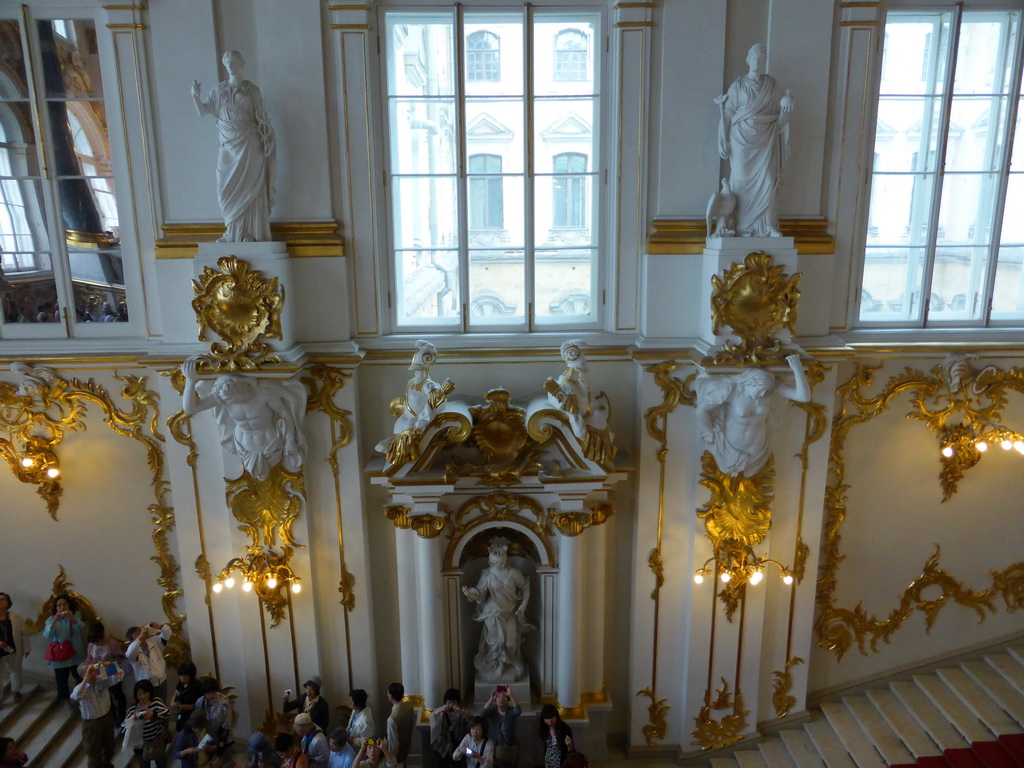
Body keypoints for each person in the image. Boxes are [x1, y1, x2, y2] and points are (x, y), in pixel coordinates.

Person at [191, 50, 276, 243]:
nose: (230, 66)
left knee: (250, 187)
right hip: (227, 144)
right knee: (226, 189)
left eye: (233, 62)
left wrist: (268, 139)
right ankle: (232, 232)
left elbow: (262, 118)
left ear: (241, 63)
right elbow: (204, 111)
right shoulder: (218, 89)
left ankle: (251, 233)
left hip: (249, 142)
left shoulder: (251, 90)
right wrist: (195, 96)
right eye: (227, 63)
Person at [182, 354, 308, 481]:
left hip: (271, 445)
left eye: (232, 399)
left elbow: (285, 413)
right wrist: (190, 381)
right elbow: (190, 409)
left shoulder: (263, 395)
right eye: (226, 400)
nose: (229, 402)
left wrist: (290, 438)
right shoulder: (224, 396)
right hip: (243, 448)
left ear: (241, 389)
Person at [715, 42, 795, 238]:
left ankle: (767, 226)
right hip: (740, 140)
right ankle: (742, 226)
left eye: (761, 59)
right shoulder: (738, 85)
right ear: (748, 60)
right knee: (741, 182)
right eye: (754, 58)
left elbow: (778, 120)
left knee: (768, 180)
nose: (758, 61)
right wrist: (723, 140)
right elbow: (727, 114)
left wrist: (786, 112)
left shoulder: (771, 85)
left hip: (765, 137)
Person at [694, 354, 810, 476]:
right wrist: (710, 432)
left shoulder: (768, 389)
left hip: (759, 449)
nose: (763, 393)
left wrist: (797, 370)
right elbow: (701, 410)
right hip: (729, 448)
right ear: (747, 383)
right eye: (760, 389)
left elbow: (803, 397)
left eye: (765, 390)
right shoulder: (731, 390)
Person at [462, 538, 533, 681]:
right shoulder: (487, 574)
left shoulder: (513, 572)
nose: (495, 564)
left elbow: (525, 587)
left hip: (510, 611)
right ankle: (497, 665)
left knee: (510, 643)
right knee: (495, 642)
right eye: (493, 562)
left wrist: (523, 606)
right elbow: (480, 591)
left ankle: (508, 664)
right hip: (492, 612)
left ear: (505, 560)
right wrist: (470, 593)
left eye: (498, 562)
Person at [376, 340, 454, 466]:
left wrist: (420, 424)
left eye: (421, 370)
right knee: (398, 435)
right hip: (404, 421)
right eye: (416, 370)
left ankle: (399, 454)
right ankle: (392, 448)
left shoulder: (428, 385)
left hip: (413, 424)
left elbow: (433, 404)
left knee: (404, 444)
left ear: (426, 369)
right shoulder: (411, 382)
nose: (418, 372)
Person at [71, 660, 124, 768]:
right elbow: (76, 696)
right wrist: (87, 678)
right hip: (92, 723)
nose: (94, 673)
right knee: (93, 749)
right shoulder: (80, 688)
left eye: (94, 671)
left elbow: (119, 676)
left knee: (109, 745)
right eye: (90, 671)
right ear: (82, 675)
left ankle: (107, 763)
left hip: (107, 717)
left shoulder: (101, 680)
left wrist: (109, 666)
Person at [42, 593, 86, 709]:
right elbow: (47, 634)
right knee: (62, 680)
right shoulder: (51, 619)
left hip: (76, 652)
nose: (62, 607)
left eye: (64, 604)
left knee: (79, 676)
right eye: (59, 605)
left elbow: (80, 628)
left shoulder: (76, 615)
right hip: (60, 655)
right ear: (55, 608)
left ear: (69, 605)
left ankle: (79, 698)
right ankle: (65, 700)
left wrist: (72, 618)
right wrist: (54, 621)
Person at [85, 621, 127, 723]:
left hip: (111, 670)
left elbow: (120, 657)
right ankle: (112, 715)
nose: (96, 644)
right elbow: (89, 658)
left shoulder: (111, 643)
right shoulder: (91, 645)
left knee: (117, 693)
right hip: (98, 673)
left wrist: (107, 662)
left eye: (98, 642)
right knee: (105, 694)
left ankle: (122, 715)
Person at [125, 678, 170, 768]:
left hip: (156, 742)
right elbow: (124, 727)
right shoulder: (133, 709)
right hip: (141, 746)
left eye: (145, 693)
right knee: (144, 765)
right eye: (140, 694)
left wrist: (154, 715)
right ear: (136, 695)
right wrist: (133, 720)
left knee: (161, 764)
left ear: (150, 693)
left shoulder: (156, 702)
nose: (143, 697)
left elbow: (167, 713)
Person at [125, 621, 173, 703]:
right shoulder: (133, 652)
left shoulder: (154, 641)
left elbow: (168, 634)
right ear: (132, 641)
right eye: (137, 634)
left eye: (140, 631)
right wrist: (141, 637)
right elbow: (129, 653)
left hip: (161, 681)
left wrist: (159, 626)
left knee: (162, 706)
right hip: (145, 687)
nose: (141, 634)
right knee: (148, 709)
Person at [0, 592, 29, 704]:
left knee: (15, 670)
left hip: (13, 648)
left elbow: (23, 633)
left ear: (8, 602)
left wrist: (26, 648)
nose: (0, 602)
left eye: (3, 599)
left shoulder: (15, 617)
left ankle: (16, 691)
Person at [481, 688, 521, 768]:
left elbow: (518, 710)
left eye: (504, 697)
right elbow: (483, 713)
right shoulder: (493, 711)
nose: (501, 699)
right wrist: (491, 699)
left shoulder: (511, 711)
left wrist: (511, 695)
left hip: (509, 745)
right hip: (495, 745)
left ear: (508, 700)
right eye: (499, 697)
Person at [195, 676, 234, 756]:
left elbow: (227, 725)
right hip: (207, 738)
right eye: (209, 692)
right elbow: (198, 719)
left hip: (222, 737)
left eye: (214, 691)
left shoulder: (223, 703)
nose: (212, 694)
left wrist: (216, 744)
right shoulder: (200, 702)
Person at [429, 688, 467, 768]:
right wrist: (438, 712)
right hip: (443, 746)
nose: (451, 705)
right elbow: (433, 718)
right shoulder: (441, 712)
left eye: (454, 703)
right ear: (445, 702)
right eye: (449, 702)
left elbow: (471, 719)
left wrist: (462, 712)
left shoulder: (461, 713)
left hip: (457, 746)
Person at [385, 683, 415, 768]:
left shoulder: (392, 720)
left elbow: (393, 744)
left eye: (388, 693)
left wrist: (391, 760)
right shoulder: (409, 705)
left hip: (398, 757)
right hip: (407, 747)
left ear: (391, 696)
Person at [171, 661, 202, 732]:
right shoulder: (181, 684)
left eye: (184, 676)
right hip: (182, 712)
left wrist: (191, 706)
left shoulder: (197, 686)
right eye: (180, 676)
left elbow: (202, 704)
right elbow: (176, 693)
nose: (182, 678)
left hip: (193, 714)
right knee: (179, 728)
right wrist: (173, 702)